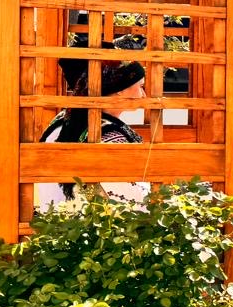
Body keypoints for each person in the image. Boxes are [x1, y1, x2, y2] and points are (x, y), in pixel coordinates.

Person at [35, 56, 149, 209]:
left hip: (53, 214)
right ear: (120, 89)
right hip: (82, 219)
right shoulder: (105, 135)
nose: (144, 95)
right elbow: (131, 198)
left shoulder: (67, 118)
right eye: (140, 86)